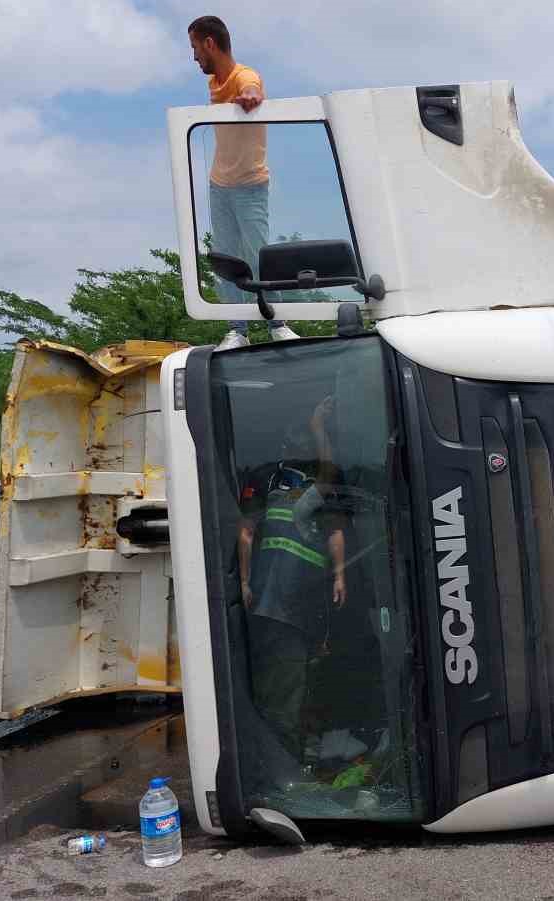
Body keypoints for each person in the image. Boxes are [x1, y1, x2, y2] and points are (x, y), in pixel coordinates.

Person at [236, 397, 346, 759]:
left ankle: (288, 749)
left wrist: (339, 576)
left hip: (301, 602)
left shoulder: (314, 492)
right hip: (276, 603)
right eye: (292, 437)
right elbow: (246, 532)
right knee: (283, 683)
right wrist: (246, 581)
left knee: (293, 680)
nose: (294, 443)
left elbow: (333, 526)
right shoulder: (271, 482)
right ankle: (281, 758)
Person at [187, 15, 299, 350]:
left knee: (256, 255)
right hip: (219, 185)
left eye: (195, 48)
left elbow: (251, 86)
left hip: (250, 185)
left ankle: (276, 322)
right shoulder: (214, 84)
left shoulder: (243, 76)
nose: (193, 57)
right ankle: (237, 327)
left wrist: (251, 96)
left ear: (210, 43)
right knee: (226, 257)